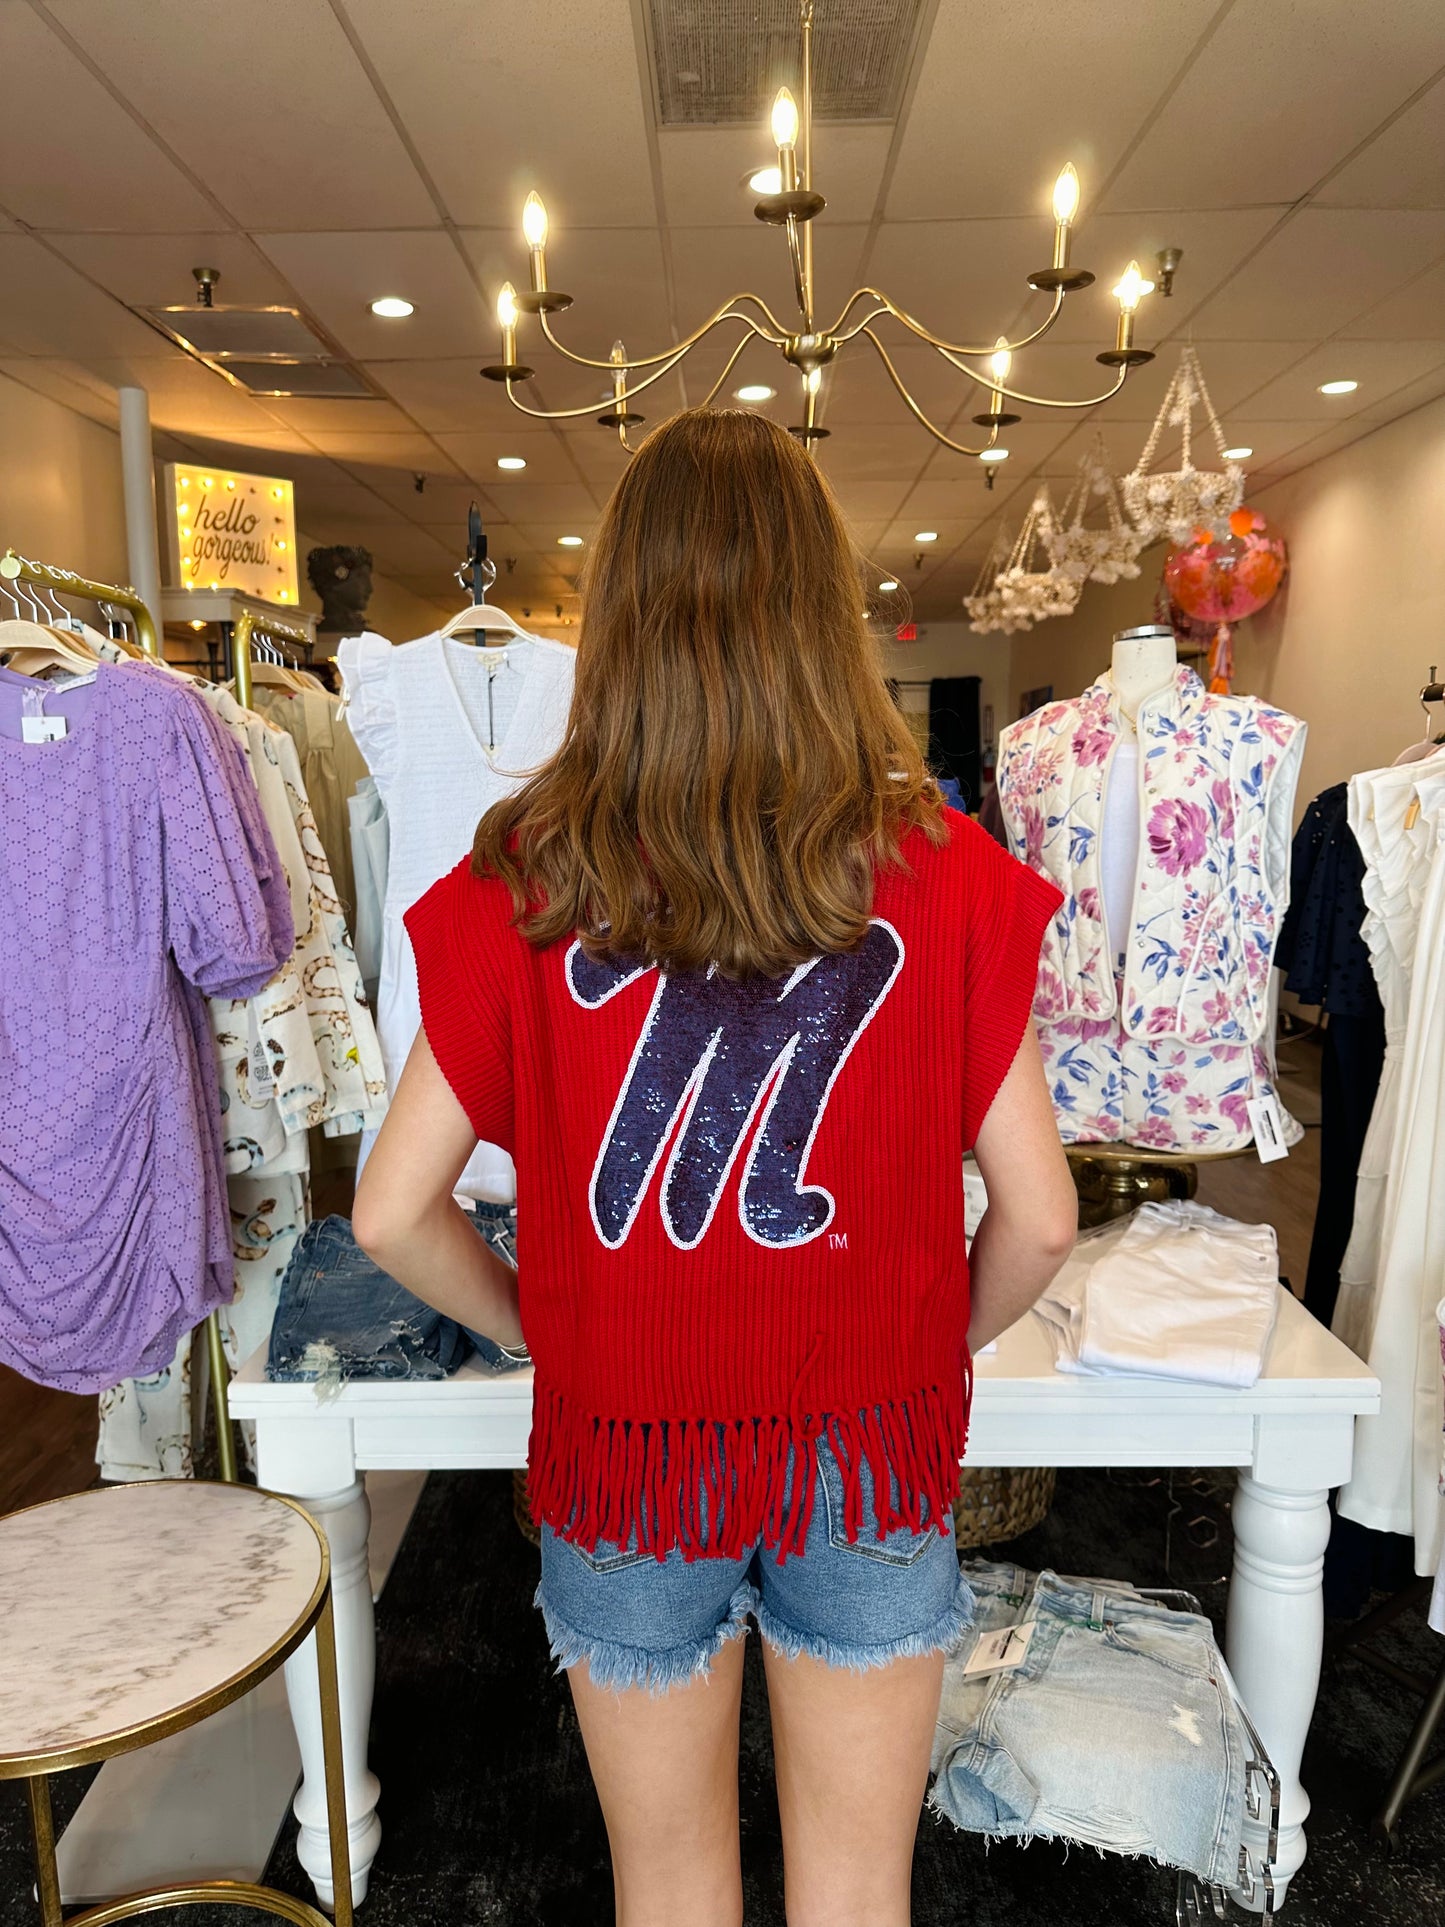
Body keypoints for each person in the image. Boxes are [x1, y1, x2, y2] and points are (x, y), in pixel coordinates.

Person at [353, 408, 1076, 1927]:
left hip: (623, 1449)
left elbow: (390, 1210)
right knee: (856, 1892)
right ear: (821, 615)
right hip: (866, 1443)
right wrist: (924, 1342)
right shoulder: (943, 876)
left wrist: (535, 1324)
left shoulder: (520, 883)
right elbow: (1043, 1215)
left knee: (666, 1886)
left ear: (616, 620)